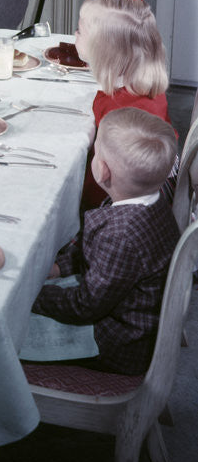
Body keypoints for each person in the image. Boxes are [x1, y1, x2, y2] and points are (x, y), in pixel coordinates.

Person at [32, 107, 180, 375]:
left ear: (102, 171)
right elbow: (93, 256)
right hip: (123, 310)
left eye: (95, 151)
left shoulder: (121, 235)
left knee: (12, 331)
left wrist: (30, 295)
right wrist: (60, 268)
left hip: (117, 342)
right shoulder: (147, 200)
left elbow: (84, 306)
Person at [74, 0, 174, 209]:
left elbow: (107, 183)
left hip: (119, 200)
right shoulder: (141, 83)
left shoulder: (121, 113)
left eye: (79, 31)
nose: (75, 35)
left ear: (103, 51)